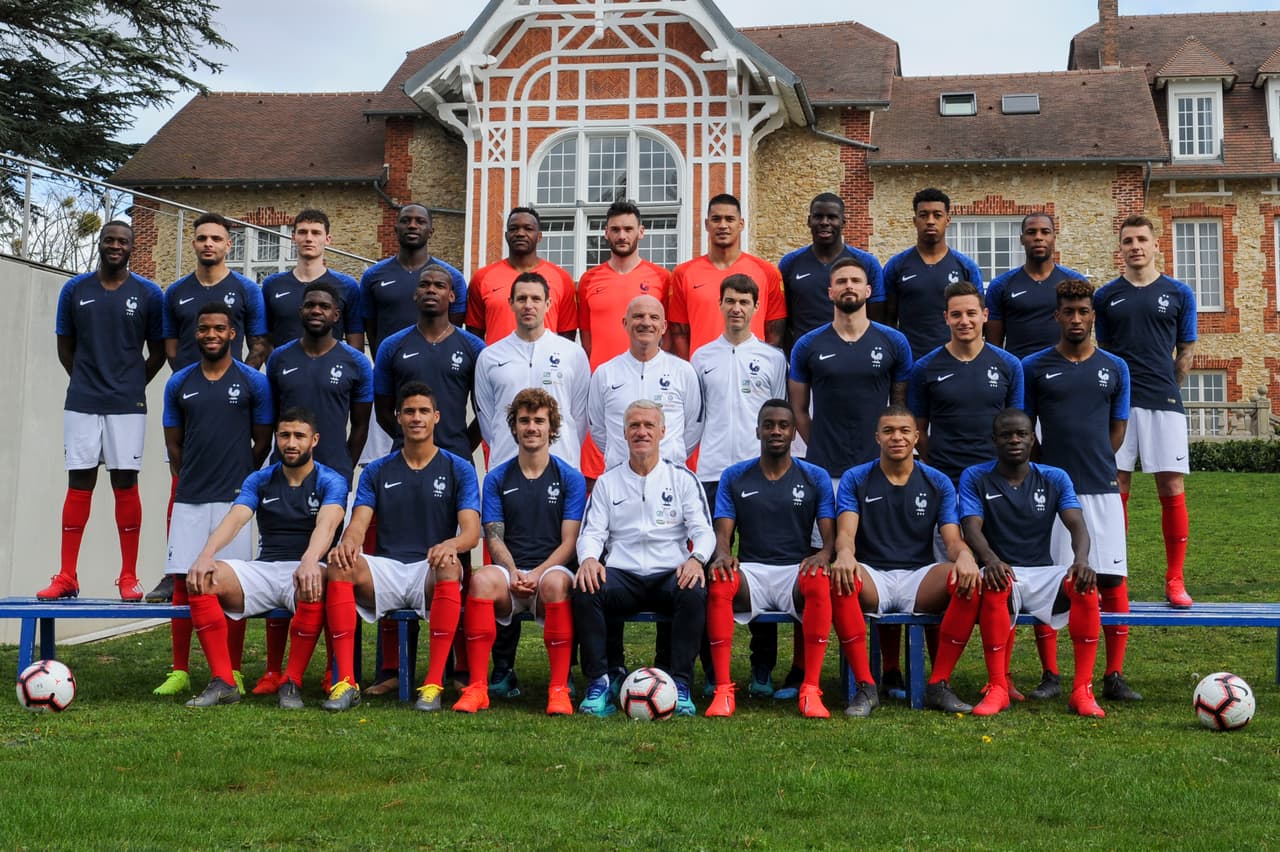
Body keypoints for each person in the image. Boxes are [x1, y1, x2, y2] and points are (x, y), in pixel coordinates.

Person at [787, 255, 912, 698]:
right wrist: (817, 445)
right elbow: (799, 409)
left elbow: (899, 408)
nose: (848, 287)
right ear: (830, 291)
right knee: (821, 565)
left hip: (876, 474)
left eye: (856, 281)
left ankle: (890, 668)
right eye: (840, 281)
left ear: (868, 289)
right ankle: (805, 668)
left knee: (880, 563)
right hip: (826, 471)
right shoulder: (808, 345)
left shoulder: (893, 343)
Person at [320, 381, 481, 712]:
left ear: (437, 417)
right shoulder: (377, 470)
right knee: (339, 565)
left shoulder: (459, 468)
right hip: (388, 570)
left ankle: (433, 684)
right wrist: (346, 543)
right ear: (398, 418)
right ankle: (346, 682)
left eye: (423, 411)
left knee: (451, 563)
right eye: (409, 411)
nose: (416, 418)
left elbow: (471, 533)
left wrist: (449, 544)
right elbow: (359, 524)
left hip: (429, 569)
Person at [182, 408, 347, 708]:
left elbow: (328, 523)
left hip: (308, 566)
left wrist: (310, 559)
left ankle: (291, 682)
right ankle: (224, 682)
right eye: (284, 435)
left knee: (316, 578)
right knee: (203, 579)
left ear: (315, 440)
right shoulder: (260, 479)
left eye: (299, 436)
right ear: (276, 438)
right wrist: (206, 554)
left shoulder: (330, 480)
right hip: (266, 568)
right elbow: (236, 517)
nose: (291, 443)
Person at [1023, 278, 1138, 702]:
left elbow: (1118, 429)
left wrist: (1096, 462)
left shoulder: (1115, 368)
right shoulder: (1033, 367)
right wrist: (1052, 473)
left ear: (1093, 315)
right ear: (1056, 315)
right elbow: (1026, 428)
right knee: (1052, 581)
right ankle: (1051, 675)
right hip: (1053, 492)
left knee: (1112, 580)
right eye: (1068, 311)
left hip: (1102, 490)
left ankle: (1114, 674)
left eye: (1083, 311)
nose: (1076, 318)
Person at [39, 221, 166, 601]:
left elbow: (157, 352)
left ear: (132, 247)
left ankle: (128, 576)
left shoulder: (149, 293)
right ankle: (67, 575)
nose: (115, 246)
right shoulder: (74, 289)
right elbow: (66, 347)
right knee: (79, 484)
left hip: (127, 404)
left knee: (125, 483)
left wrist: (129, 384)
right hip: (82, 401)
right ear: (100, 244)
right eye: (109, 240)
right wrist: (86, 380)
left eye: (122, 241)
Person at [152, 303, 273, 698]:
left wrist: (241, 479)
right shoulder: (179, 383)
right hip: (189, 498)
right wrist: (191, 477)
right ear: (196, 334)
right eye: (204, 329)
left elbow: (263, 441)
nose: (211, 335)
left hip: (233, 502)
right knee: (184, 583)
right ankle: (180, 670)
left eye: (219, 328)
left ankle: (232, 671)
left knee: (230, 586)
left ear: (233, 333)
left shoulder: (253, 382)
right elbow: (174, 445)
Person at [259, 279, 373, 694]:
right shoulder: (279, 359)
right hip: (284, 473)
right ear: (300, 311)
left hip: (332, 476)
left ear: (337, 315)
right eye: (310, 305)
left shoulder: (356, 363)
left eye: (324, 305)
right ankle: (275, 669)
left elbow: (360, 423)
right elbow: (270, 417)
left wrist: (343, 462)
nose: (316, 310)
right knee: (278, 564)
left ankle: (336, 669)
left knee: (334, 570)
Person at [830, 405, 983, 715]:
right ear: (877, 437)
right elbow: (846, 533)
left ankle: (939, 684)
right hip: (873, 575)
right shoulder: (856, 478)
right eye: (888, 431)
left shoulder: (937, 481)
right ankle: (865, 686)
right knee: (841, 579)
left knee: (966, 579)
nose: (896, 437)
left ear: (916, 436)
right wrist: (844, 554)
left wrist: (965, 556)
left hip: (919, 576)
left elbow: (951, 539)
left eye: (903, 431)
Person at [958, 409, 1105, 717]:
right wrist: (991, 560)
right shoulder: (976, 476)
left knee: (1085, 586)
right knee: (996, 581)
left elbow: (1077, 524)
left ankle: (1082, 691)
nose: (1014, 440)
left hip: (1042, 572)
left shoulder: (1053, 477)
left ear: (1032, 438)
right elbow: (971, 528)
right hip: (1001, 569)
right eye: (1007, 434)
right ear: (994, 440)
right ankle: (998, 687)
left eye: (1021, 434)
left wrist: (1081, 561)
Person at [573, 400, 714, 717]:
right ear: (624, 433)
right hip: (623, 574)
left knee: (693, 591)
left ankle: (680, 684)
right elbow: (591, 532)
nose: (641, 432)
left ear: (662, 431)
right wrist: (590, 559)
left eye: (649, 425)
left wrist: (697, 559)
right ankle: (600, 681)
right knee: (585, 588)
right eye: (634, 426)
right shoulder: (608, 481)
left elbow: (704, 531)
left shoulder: (682, 479)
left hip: (669, 573)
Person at [706, 399, 835, 717]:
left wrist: (824, 554)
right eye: (769, 425)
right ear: (758, 430)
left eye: (783, 425)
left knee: (819, 580)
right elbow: (723, 535)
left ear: (794, 433)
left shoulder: (814, 476)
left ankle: (810, 689)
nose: (776, 431)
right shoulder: (735, 476)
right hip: (752, 572)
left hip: (795, 571)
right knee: (721, 581)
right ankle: (723, 691)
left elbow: (830, 535)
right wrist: (722, 555)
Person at [460, 389, 586, 715]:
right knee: (481, 581)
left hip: (551, 573)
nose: (532, 427)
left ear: (551, 428)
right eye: (524, 420)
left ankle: (559, 687)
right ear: (514, 427)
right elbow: (494, 536)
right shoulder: (497, 477)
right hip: (511, 572)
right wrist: (514, 571)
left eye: (539, 420)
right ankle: (477, 687)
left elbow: (569, 542)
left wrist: (537, 573)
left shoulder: (570, 477)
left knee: (558, 584)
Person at [1094, 214, 1197, 609]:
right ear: (1120, 250)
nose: (1135, 246)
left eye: (1141, 239)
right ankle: (1115, 577)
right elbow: (1103, 349)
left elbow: (1185, 350)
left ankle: (1175, 579)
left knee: (1170, 488)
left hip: (1163, 403)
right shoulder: (1106, 297)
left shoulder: (1179, 293)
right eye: (1127, 241)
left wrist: (1169, 386)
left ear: (1156, 246)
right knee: (1115, 489)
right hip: (1118, 406)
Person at [576, 199, 672, 481]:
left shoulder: (661, 278)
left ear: (641, 232)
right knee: (598, 471)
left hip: (651, 385)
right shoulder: (589, 280)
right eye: (615, 229)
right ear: (605, 233)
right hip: (606, 389)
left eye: (628, 229)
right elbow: (587, 338)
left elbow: (666, 333)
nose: (622, 235)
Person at [908, 281, 1023, 486]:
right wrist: (935, 465)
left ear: (985, 315)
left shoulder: (1010, 365)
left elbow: (1017, 427)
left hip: (996, 476)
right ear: (946, 318)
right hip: (945, 479)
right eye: (956, 314)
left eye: (971, 313)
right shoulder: (924, 367)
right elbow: (919, 430)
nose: (964, 321)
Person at [475, 271, 589, 468]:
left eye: (536, 299)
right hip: (506, 464)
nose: (528, 305)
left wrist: (562, 445)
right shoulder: (490, 356)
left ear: (548, 304)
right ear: (510, 303)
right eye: (521, 299)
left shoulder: (573, 354)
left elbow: (580, 417)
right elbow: (486, 418)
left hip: (561, 464)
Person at [373, 264, 485, 463]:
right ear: (415, 294)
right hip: (405, 457)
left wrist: (462, 446)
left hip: (456, 458)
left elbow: (485, 412)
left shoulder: (474, 348)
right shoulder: (391, 346)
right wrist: (410, 439)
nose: (431, 290)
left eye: (439, 286)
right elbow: (383, 412)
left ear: (452, 296)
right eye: (424, 285)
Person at [588, 295, 702, 472]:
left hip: (670, 477)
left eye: (654, 317)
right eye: (638, 316)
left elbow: (694, 427)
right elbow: (597, 427)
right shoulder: (604, 373)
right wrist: (621, 456)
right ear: (625, 323)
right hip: (619, 477)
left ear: (664, 327)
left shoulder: (683, 371)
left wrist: (671, 456)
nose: (646, 323)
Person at [668, 193, 786, 358]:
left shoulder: (767, 272)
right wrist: (691, 371)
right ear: (707, 224)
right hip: (703, 371)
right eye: (716, 219)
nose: (723, 225)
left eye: (729, 219)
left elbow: (775, 332)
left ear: (741, 224)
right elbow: (679, 333)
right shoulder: (683, 274)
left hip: (751, 369)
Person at [883, 188, 984, 360]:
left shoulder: (966, 267)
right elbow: (887, 319)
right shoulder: (896, 265)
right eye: (924, 215)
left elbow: (978, 317)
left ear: (947, 220)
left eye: (937, 215)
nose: (930, 221)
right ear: (915, 221)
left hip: (955, 359)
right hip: (910, 360)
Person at [162, 212, 270, 370]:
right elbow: (171, 349)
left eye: (216, 238)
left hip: (232, 389)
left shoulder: (248, 289)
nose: (208, 244)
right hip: (188, 387)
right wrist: (185, 378)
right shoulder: (175, 291)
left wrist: (243, 379)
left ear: (228, 245)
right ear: (194, 244)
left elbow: (259, 346)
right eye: (202, 238)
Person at [778, 192, 885, 348]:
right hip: (807, 355)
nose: (824, 222)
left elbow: (878, 320)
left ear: (843, 222)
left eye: (832, 217)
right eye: (818, 217)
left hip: (853, 354)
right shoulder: (790, 263)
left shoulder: (867, 263)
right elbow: (783, 318)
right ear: (809, 221)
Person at [359, 203, 466, 351]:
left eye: (420, 221)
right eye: (405, 221)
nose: (412, 226)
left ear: (430, 231)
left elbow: (455, 329)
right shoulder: (372, 276)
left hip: (436, 365)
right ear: (396, 229)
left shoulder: (452, 277)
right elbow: (370, 329)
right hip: (392, 366)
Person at [465, 207, 577, 343]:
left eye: (528, 228)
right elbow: (474, 334)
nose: (520, 233)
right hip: (499, 362)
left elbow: (567, 334)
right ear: (506, 235)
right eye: (513, 229)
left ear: (539, 236)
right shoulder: (482, 278)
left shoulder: (562, 279)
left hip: (545, 362)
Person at [983, 213, 1087, 359]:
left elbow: (1084, 334)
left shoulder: (1075, 282)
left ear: (1054, 238)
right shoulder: (1001, 285)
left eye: (1045, 232)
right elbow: (994, 347)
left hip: (1064, 372)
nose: (1038, 237)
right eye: (1031, 232)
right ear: (1022, 239)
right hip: (1021, 373)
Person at [260, 209, 364, 351]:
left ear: (327, 239)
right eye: (302, 232)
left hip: (330, 371)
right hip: (285, 370)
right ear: (293, 237)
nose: (309, 238)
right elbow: (265, 339)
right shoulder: (272, 285)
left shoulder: (347, 286)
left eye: (316, 233)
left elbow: (356, 342)